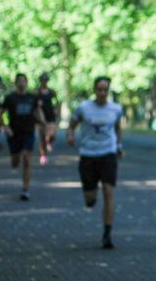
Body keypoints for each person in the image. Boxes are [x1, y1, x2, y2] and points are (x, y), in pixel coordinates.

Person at [67, 76, 124, 249]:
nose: (102, 93)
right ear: (94, 90)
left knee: (108, 191)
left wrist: (119, 145)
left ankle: (107, 234)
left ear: (109, 91)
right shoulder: (84, 108)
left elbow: (118, 128)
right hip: (88, 155)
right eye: (99, 89)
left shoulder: (116, 109)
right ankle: (91, 195)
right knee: (90, 200)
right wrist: (70, 134)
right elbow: (72, 125)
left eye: (105, 89)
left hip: (108, 153)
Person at [0, 73, 44, 201]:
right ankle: (15, 160)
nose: (21, 83)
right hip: (14, 133)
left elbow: (37, 111)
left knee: (26, 158)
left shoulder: (32, 98)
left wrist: (43, 123)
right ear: (16, 83)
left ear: (27, 82)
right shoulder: (10, 98)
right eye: (19, 81)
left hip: (28, 132)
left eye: (24, 81)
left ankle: (26, 189)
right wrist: (5, 128)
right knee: (15, 161)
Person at [35, 73, 58, 165]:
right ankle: (43, 155)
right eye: (42, 80)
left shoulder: (52, 92)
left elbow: (56, 101)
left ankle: (49, 142)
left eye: (46, 80)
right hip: (41, 117)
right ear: (40, 81)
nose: (44, 82)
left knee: (51, 135)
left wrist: (56, 110)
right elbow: (33, 103)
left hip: (50, 115)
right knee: (42, 138)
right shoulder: (37, 92)